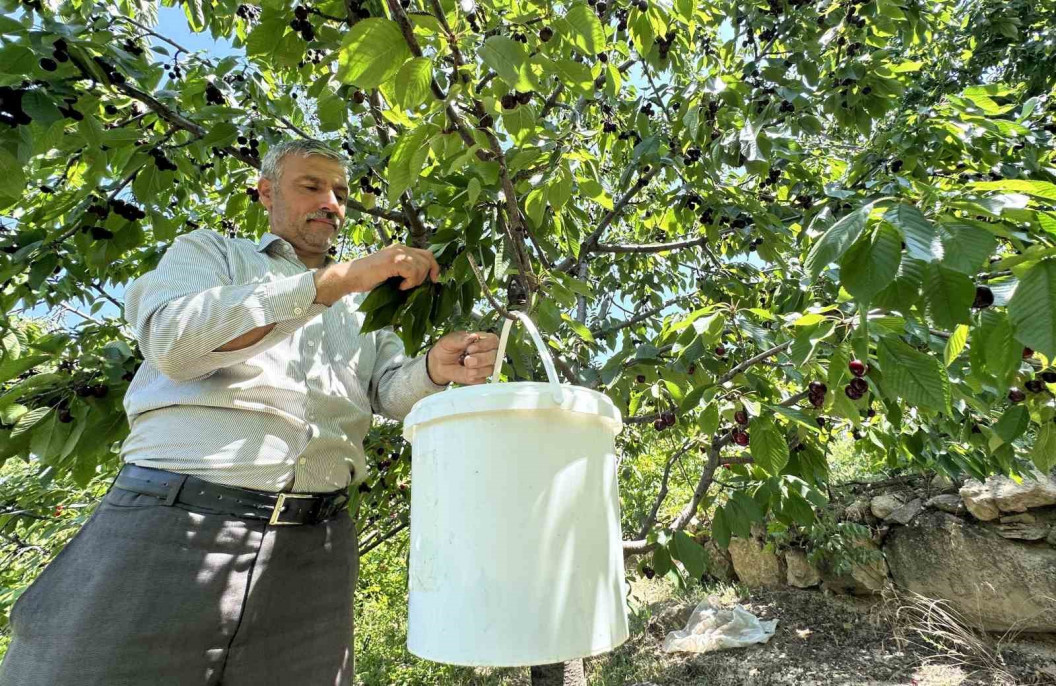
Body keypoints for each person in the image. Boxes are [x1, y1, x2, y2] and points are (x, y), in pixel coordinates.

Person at [0, 139, 499, 686]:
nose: (331, 202)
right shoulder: (213, 253)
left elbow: (386, 392)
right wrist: (335, 282)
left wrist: (433, 369)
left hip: (316, 547)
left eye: (341, 192)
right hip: (174, 522)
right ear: (265, 192)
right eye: (311, 186)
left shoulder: (363, 304)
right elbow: (173, 341)